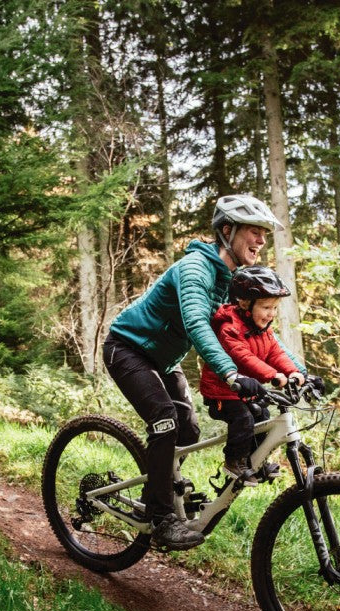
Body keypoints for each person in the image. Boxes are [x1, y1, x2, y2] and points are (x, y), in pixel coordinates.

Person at [103, 195, 282, 550]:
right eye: (254, 231)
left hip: (163, 362)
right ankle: (161, 515)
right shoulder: (195, 269)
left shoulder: (232, 280)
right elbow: (198, 325)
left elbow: (256, 335)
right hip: (128, 348)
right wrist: (231, 375)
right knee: (165, 419)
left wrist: (296, 374)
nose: (261, 241)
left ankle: (158, 491)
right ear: (227, 231)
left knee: (188, 428)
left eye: (265, 234)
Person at [200, 266, 305, 487]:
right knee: (243, 419)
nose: (271, 314)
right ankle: (234, 461)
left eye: (275, 308)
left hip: (248, 392)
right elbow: (244, 357)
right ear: (246, 304)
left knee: (263, 417)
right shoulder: (230, 329)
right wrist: (273, 375)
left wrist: (292, 371)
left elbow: (275, 352)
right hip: (223, 393)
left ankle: (256, 461)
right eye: (266, 307)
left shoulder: (263, 329)